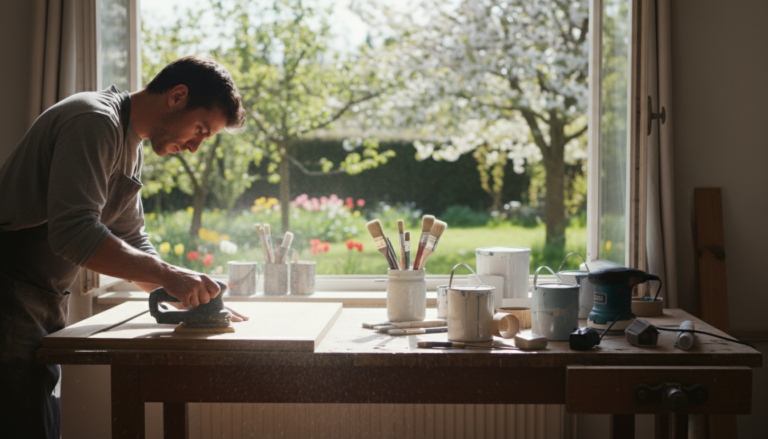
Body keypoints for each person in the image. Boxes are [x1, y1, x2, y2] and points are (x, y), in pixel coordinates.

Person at [0, 54, 247, 438]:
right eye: (200, 129)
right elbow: (74, 232)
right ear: (177, 95)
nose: (196, 146)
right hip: (8, 294)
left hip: (40, 300)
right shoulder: (94, 121)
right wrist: (169, 276)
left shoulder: (130, 142)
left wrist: (191, 297)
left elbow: (132, 238)